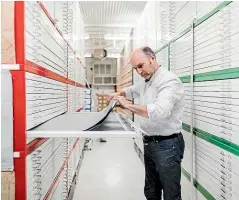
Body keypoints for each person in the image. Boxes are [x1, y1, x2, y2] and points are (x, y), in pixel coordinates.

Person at [107, 46, 185, 200]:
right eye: (136, 68)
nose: (139, 72)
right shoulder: (148, 80)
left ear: (152, 59)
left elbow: (160, 112)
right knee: (151, 191)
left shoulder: (169, 81)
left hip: (168, 146)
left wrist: (128, 105)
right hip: (150, 143)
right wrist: (118, 93)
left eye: (140, 66)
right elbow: (133, 90)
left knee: (171, 196)